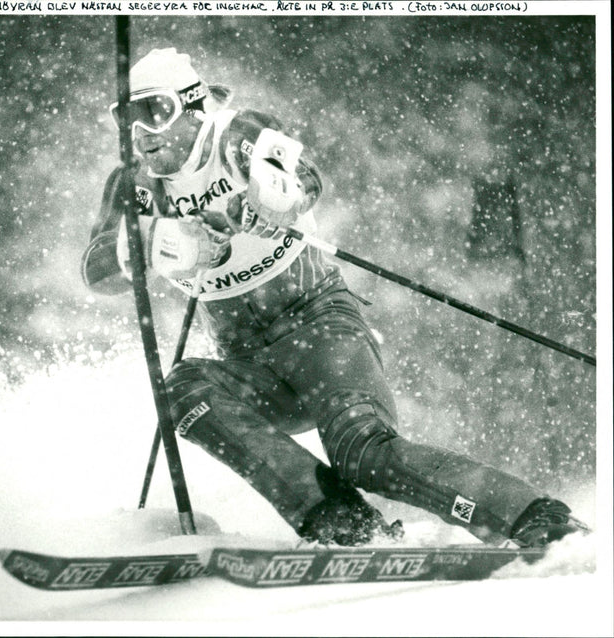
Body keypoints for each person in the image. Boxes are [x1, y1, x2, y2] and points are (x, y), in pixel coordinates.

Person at [81, 48, 587, 547]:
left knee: (362, 453)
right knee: (180, 392)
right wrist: (146, 245)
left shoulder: (233, 133)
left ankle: (534, 516)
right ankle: (340, 520)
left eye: (155, 110)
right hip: (250, 365)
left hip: (319, 330)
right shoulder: (133, 184)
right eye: (126, 118)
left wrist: (265, 199)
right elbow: (95, 269)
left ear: (193, 106)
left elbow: (301, 178)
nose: (142, 132)